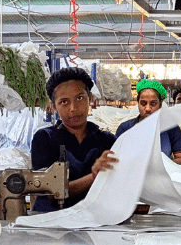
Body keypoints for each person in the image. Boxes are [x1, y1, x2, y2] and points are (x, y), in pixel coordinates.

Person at [30, 67, 117, 212]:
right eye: (64, 102)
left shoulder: (107, 140)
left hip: (95, 221)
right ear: (53, 106)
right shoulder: (44, 139)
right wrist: (94, 177)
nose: (73, 108)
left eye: (79, 98)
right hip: (51, 224)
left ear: (90, 99)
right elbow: (50, 191)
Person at [116, 80, 181, 165]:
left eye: (153, 103)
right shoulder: (125, 128)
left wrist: (159, 167)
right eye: (143, 103)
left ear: (160, 105)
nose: (148, 108)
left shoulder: (171, 128)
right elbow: (114, 159)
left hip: (161, 176)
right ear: (138, 104)